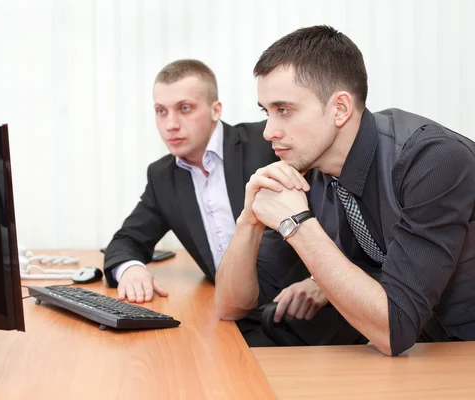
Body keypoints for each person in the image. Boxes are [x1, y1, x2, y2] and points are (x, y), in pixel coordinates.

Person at [215, 25, 475, 356]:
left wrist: (297, 222)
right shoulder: (306, 168)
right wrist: (248, 222)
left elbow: (395, 328)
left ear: (340, 109)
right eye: (266, 112)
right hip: (417, 348)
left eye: (284, 110)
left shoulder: (430, 159)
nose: (268, 131)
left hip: (461, 345)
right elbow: (230, 306)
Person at [103, 59, 276, 307]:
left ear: (216, 110)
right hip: (228, 310)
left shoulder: (266, 143)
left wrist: (315, 282)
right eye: (161, 111)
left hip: (295, 315)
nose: (171, 125)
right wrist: (131, 270)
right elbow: (126, 241)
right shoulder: (163, 177)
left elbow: (327, 208)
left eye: (185, 108)